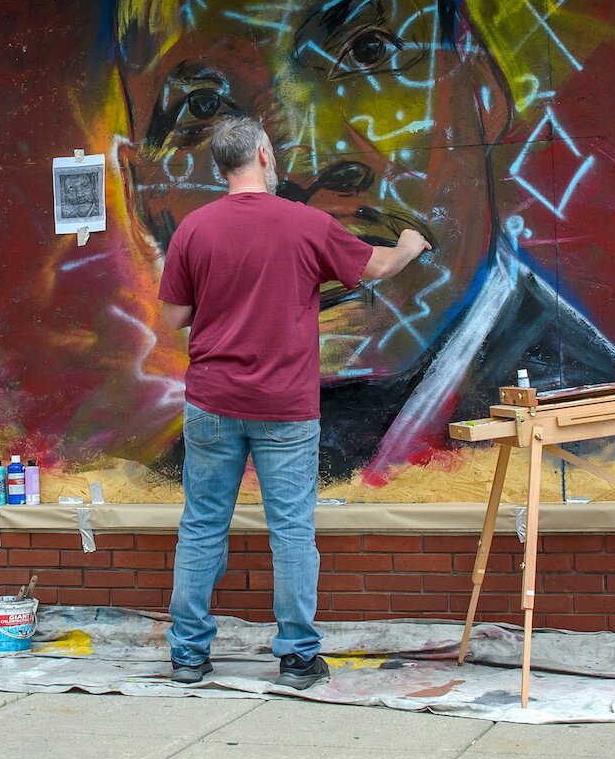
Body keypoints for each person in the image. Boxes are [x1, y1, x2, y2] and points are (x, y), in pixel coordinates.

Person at [114, 0, 615, 483]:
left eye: (369, 52)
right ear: (140, 193)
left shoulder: (598, 440)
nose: (300, 167)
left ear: (482, 91)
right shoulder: (184, 466)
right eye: (203, 106)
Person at [157, 115, 430, 687]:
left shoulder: (194, 231)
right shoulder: (303, 223)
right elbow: (376, 266)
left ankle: (187, 654)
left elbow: (174, 317)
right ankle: (298, 657)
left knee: (203, 524)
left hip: (212, 401)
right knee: (291, 530)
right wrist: (407, 245)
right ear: (261, 154)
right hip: (285, 405)